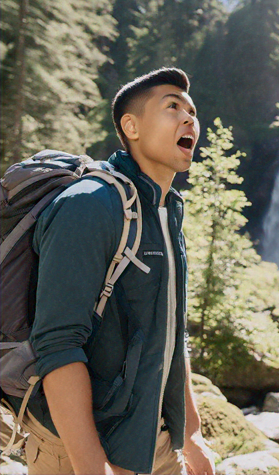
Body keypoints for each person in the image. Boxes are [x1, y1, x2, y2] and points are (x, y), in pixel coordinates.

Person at [5, 67, 215, 475]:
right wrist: (93, 466)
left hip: (153, 438)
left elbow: (173, 330)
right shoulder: (89, 205)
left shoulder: (166, 211)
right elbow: (59, 344)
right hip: (77, 448)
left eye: (192, 110)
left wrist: (191, 433)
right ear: (131, 126)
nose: (190, 118)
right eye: (172, 107)